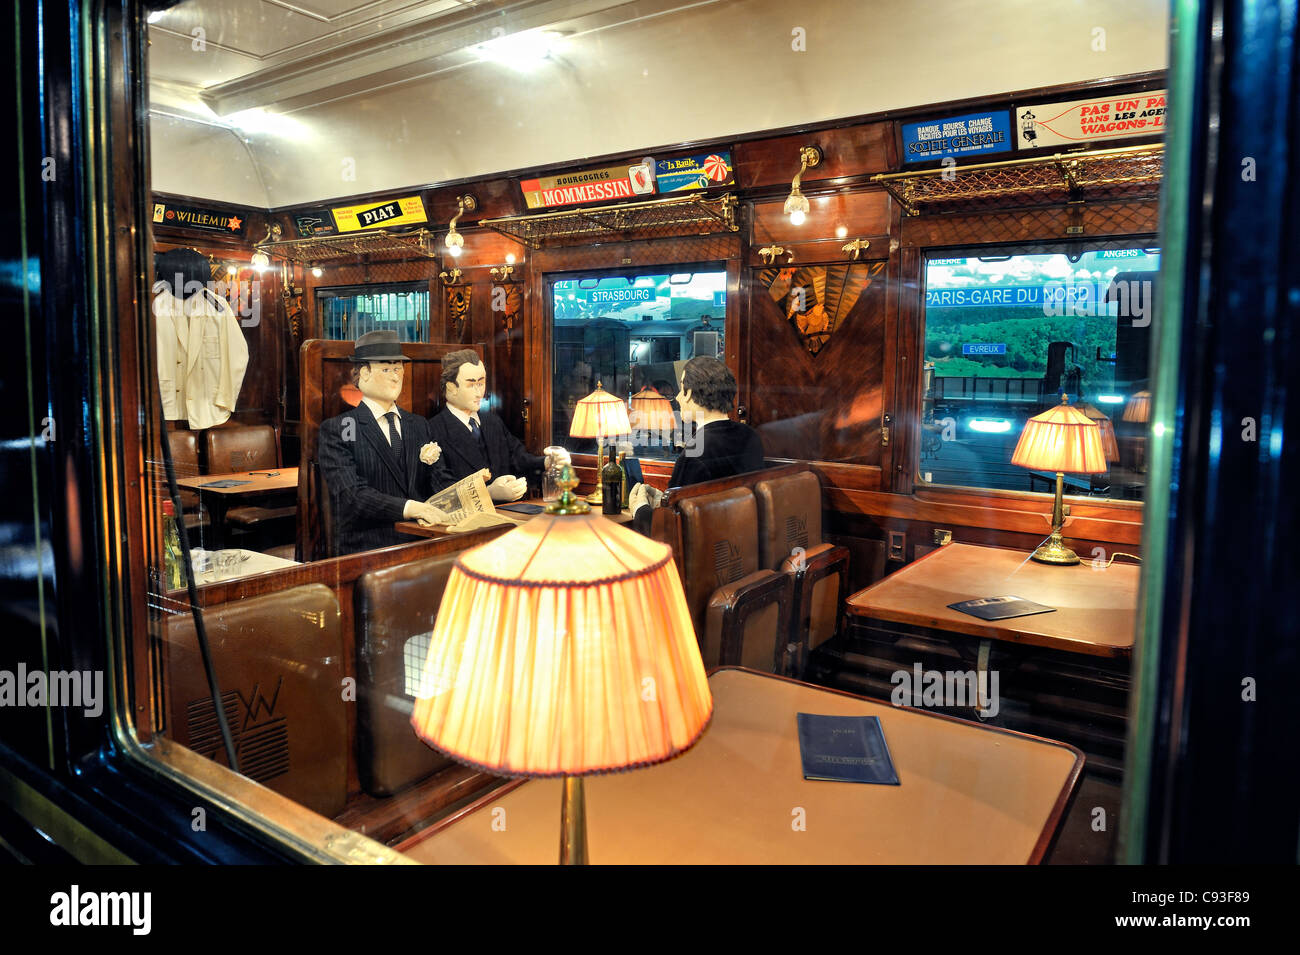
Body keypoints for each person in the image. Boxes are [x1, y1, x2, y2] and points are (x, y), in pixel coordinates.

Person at [317, 331, 452, 555]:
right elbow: (353, 496)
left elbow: (439, 480)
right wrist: (410, 508)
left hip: (423, 540)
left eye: (398, 368)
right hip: (369, 547)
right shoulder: (340, 428)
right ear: (364, 374)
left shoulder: (419, 425)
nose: (395, 377)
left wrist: (484, 491)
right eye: (386, 369)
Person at [629, 356, 764, 532]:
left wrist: (640, 509)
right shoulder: (750, 436)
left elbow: (672, 532)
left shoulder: (694, 454)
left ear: (691, 393)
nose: (677, 397)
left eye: (682, 389)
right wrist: (664, 499)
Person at [427, 349, 569, 503]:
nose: (479, 393)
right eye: (471, 385)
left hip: (509, 513)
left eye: (481, 383)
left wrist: (548, 462)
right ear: (451, 388)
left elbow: (518, 459)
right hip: (467, 522)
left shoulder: (492, 422)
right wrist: (487, 493)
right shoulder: (433, 430)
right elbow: (441, 489)